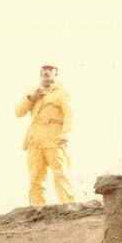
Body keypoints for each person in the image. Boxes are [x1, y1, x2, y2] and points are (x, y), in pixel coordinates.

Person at [15, 63, 74, 206]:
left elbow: (69, 115)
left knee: (60, 174)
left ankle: (68, 206)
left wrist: (65, 135)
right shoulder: (33, 91)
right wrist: (31, 98)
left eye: (50, 69)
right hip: (34, 140)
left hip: (54, 139)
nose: (46, 72)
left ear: (56, 73)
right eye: (44, 69)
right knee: (36, 176)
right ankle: (37, 208)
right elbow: (19, 112)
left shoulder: (62, 92)